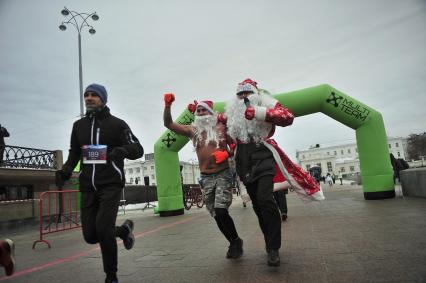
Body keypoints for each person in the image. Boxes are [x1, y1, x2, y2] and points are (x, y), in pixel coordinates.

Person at [225, 78, 324, 266]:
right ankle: (269, 243)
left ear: (255, 93)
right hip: (243, 160)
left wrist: (259, 113)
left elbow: (287, 116)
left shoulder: (265, 102)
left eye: (248, 92)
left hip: (263, 155)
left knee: (265, 199)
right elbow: (229, 138)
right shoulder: (232, 113)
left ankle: (273, 248)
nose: (244, 96)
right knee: (257, 205)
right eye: (240, 94)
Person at [55, 83, 144, 283]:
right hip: (87, 186)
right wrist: (67, 170)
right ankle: (123, 231)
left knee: (104, 229)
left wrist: (123, 151)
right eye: (86, 95)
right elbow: (75, 152)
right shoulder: (79, 126)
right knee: (90, 236)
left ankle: (111, 276)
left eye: (94, 95)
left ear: (103, 99)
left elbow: (137, 148)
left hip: (110, 184)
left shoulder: (117, 124)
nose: (89, 98)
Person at [163, 93, 243, 259]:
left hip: (223, 173)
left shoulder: (221, 126)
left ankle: (235, 240)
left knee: (221, 211)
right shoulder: (193, 130)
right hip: (206, 177)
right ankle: (233, 241)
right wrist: (167, 106)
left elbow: (236, 143)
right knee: (215, 213)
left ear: (210, 113)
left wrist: (227, 154)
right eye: (197, 111)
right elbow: (168, 124)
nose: (199, 113)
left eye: (203, 110)